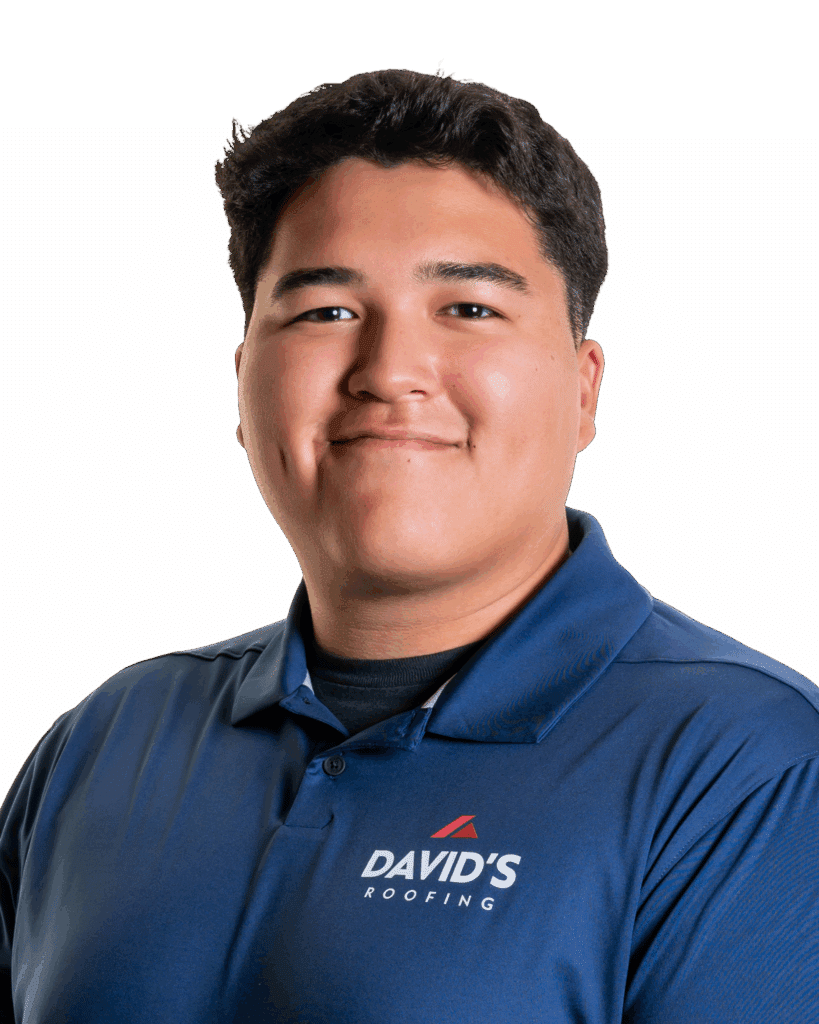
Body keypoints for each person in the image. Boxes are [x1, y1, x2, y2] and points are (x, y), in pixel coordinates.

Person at [1, 67, 817, 1024]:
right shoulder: (107, 740)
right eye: (325, 312)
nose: (389, 373)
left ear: (585, 390)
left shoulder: (748, 766)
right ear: (243, 380)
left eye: (468, 308)